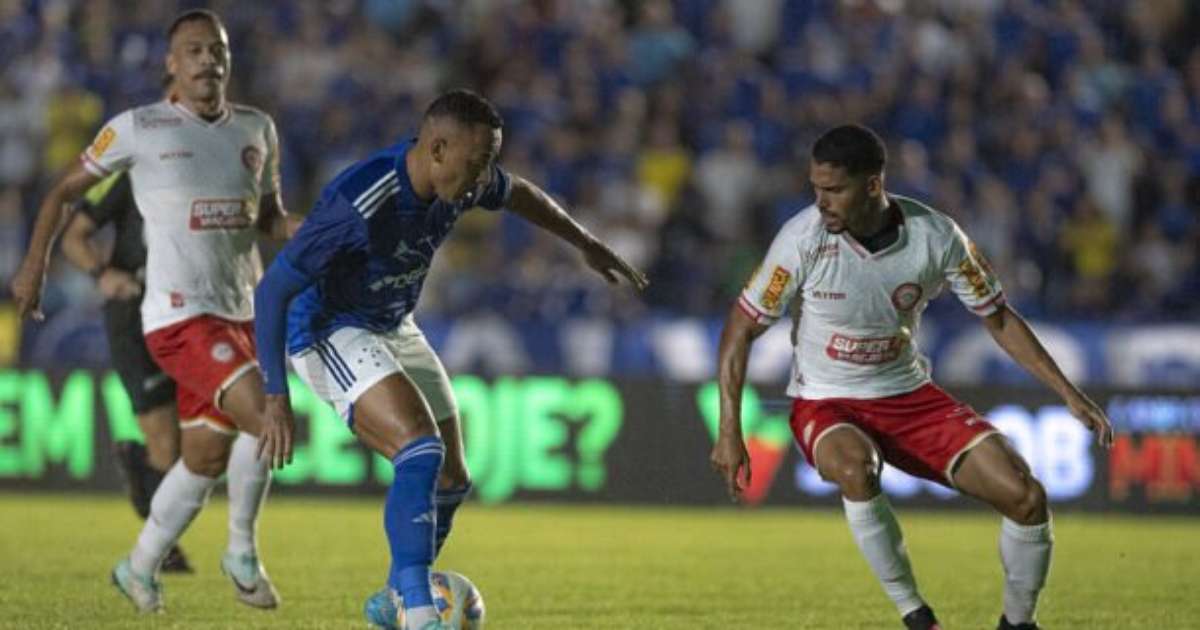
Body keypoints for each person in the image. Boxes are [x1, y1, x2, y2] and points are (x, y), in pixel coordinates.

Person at [253, 89, 648, 630]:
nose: (485, 173)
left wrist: (584, 243)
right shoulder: (361, 201)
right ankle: (418, 611)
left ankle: (394, 595)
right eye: (478, 160)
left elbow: (521, 194)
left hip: (393, 322)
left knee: (452, 477)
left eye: (489, 160)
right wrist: (276, 397)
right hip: (328, 329)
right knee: (419, 449)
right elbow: (273, 291)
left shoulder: (462, 183)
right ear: (437, 148)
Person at [710, 124, 1113, 630]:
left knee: (1026, 497)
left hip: (910, 398)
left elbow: (999, 316)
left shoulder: (937, 236)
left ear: (873, 185)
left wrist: (1069, 395)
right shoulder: (801, 240)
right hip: (826, 402)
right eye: (815, 189)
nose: (822, 202)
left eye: (834, 190)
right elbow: (739, 329)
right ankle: (916, 617)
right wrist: (729, 430)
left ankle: (1018, 623)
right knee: (857, 469)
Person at [8, 9, 298, 614]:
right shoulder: (138, 129)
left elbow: (269, 218)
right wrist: (34, 264)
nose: (207, 60)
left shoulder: (256, 129)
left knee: (203, 460)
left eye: (216, 49)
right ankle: (242, 553)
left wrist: (321, 234)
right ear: (172, 64)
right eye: (193, 50)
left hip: (244, 311)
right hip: (177, 316)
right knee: (266, 417)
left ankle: (137, 567)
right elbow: (63, 192)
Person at [59, 170, 191, 573]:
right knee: (166, 441)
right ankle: (163, 549)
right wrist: (103, 274)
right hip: (133, 313)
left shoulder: (209, 162)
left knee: (192, 443)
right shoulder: (131, 171)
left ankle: (138, 465)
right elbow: (73, 236)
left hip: (186, 313)